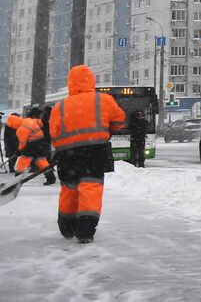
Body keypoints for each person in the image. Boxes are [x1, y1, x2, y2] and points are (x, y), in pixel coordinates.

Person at [48, 64, 125, 243]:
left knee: (69, 188)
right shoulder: (102, 100)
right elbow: (120, 120)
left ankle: (66, 226)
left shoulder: (59, 107)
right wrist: (106, 130)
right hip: (94, 151)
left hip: (67, 154)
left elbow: (54, 132)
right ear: (91, 80)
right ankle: (85, 229)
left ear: (70, 83)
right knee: (90, 188)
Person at [7, 107, 56, 184]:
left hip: (32, 145)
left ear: (13, 124)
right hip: (42, 143)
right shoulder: (28, 120)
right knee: (41, 161)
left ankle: (17, 180)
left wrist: (19, 151)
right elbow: (39, 122)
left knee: (23, 161)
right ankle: (51, 178)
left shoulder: (21, 129)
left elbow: (23, 142)